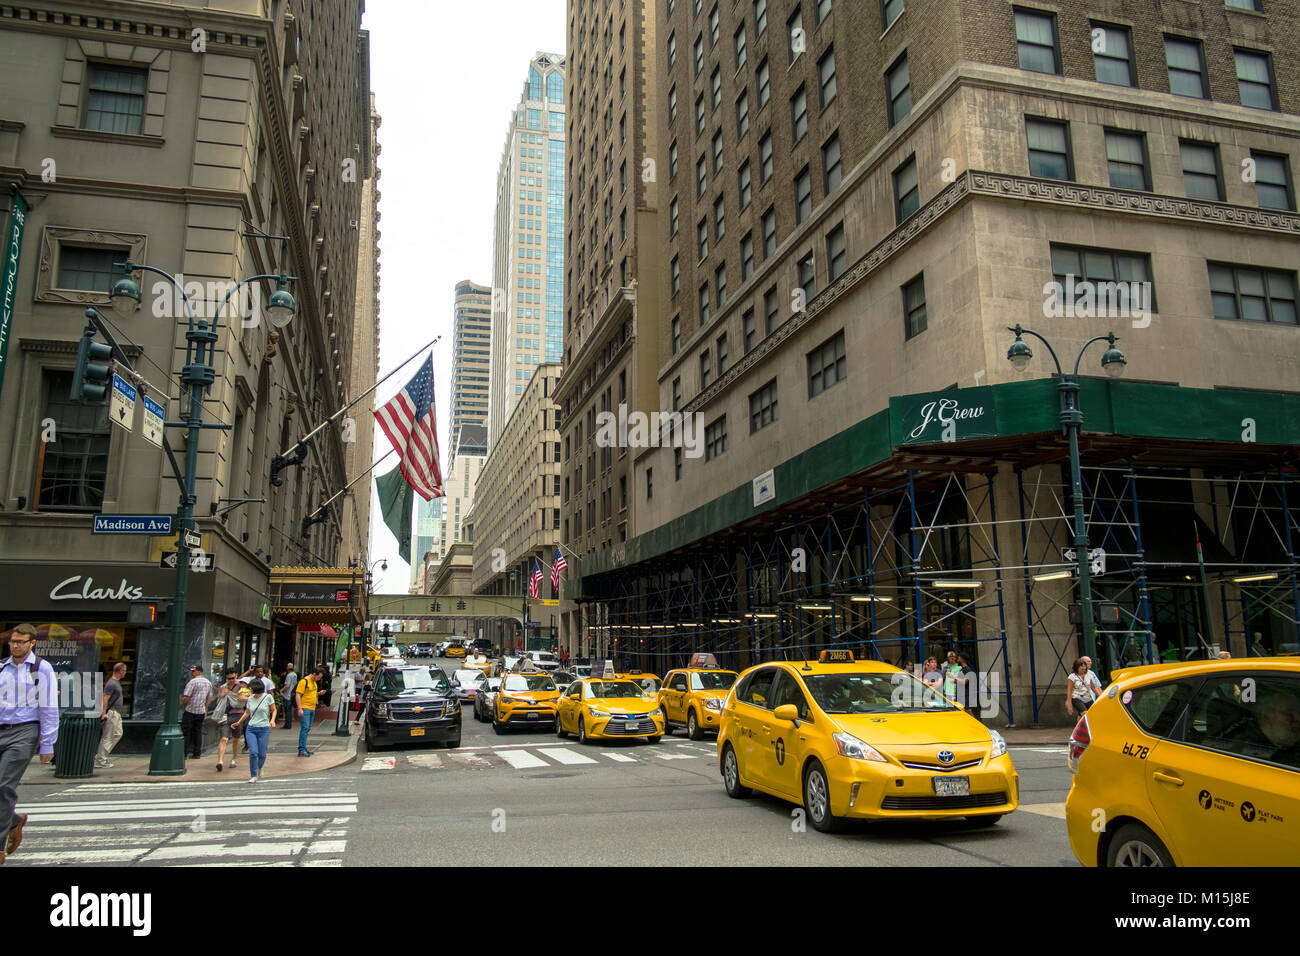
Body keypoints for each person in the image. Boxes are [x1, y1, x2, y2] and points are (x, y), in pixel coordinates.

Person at [0, 623, 58, 866]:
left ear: (32, 643)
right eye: (13, 641)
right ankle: (14, 820)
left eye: (20, 642)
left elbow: (48, 707)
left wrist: (47, 744)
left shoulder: (41, 668)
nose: (15, 645)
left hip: (25, 731)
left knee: (3, 784)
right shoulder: (2, 667)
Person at [231, 677, 276, 783]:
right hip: (251, 728)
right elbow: (247, 712)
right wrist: (239, 722)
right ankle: (253, 775)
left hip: (264, 728)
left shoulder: (268, 697)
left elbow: (274, 710)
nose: (250, 690)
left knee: (262, 754)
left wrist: (272, 720)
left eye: (251, 688)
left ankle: (260, 767)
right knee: (253, 753)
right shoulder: (250, 698)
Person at [212, 669, 248, 772]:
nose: (231, 680)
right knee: (224, 738)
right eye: (229, 678)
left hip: (238, 714)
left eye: (233, 678)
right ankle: (220, 761)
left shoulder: (242, 685)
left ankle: (234, 758)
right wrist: (222, 695)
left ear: (236, 676)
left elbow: (248, 698)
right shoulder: (223, 687)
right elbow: (218, 702)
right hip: (225, 715)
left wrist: (232, 694)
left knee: (236, 738)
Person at [94, 662, 128, 769]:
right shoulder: (112, 683)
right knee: (108, 737)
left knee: (118, 734)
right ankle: (100, 760)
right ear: (120, 671)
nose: (125, 672)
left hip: (116, 713)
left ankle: (101, 756)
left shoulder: (115, 682)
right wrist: (103, 713)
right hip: (111, 713)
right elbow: (105, 698)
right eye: (124, 670)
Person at [181, 664, 213, 759]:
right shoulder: (208, 683)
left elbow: (186, 697)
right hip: (201, 711)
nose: (192, 673)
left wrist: (184, 706)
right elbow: (209, 698)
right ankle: (197, 753)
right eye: (191, 671)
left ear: (199, 671)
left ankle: (184, 753)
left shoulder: (192, 682)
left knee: (186, 732)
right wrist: (205, 708)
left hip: (190, 710)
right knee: (197, 731)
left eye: (194, 671)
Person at [295, 667, 322, 757]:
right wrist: (300, 708)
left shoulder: (314, 683)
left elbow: (310, 693)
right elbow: (298, 695)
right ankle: (301, 749)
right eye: (318, 677)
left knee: (307, 728)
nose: (319, 679)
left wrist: (318, 693)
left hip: (312, 708)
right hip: (305, 707)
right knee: (305, 728)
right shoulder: (304, 681)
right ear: (314, 674)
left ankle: (303, 747)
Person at [280, 662, 298, 729]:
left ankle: (287, 724)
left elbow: (287, 685)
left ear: (287, 668)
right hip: (292, 694)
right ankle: (288, 724)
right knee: (289, 710)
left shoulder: (289, 675)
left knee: (287, 710)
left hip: (287, 694)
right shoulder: (295, 675)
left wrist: (281, 690)